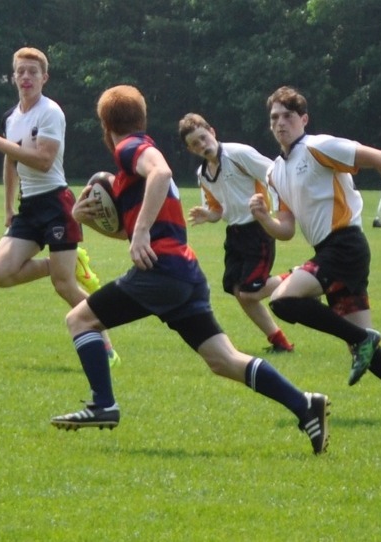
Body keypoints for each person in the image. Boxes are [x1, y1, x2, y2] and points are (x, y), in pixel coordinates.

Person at [54, 85, 329, 455]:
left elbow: (162, 174)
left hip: (162, 272)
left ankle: (103, 404)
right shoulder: (132, 166)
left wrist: (138, 233)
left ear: (106, 126)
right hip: (183, 273)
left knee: (80, 321)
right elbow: (139, 226)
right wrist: (92, 221)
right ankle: (304, 404)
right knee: (223, 360)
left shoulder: (131, 148)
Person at [251, 86, 381, 421]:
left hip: (345, 246)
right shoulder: (276, 172)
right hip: (330, 252)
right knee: (363, 350)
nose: (280, 123)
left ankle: (363, 338)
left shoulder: (318, 147)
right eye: (274, 118)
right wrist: (263, 217)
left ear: (303, 119)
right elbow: (285, 229)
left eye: (287, 116)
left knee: (283, 300)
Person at [0, 47, 120, 366]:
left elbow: (43, 160)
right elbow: (11, 162)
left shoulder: (51, 112)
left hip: (56, 203)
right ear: (14, 76)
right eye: (20, 71)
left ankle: (106, 346)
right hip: (29, 207)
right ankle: (63, 262)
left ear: (44, 77)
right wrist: (8, 208)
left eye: (32, 72)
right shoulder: (12, 118)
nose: (26, 77)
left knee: (65, 285)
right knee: (1, 273)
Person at [177, 113, 295, 353]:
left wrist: (272, 207)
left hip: (258, 229)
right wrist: (208, 215)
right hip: (235, 234)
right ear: (191, 150)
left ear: (212, 131)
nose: (202, 145)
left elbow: (275, 174)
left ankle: (300, 279)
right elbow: (218, 210)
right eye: (195, 144)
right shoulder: (203, 174)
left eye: (203, 137)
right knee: (238, 291)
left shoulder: (238, 153)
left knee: (251, 290)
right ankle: (279, 341)